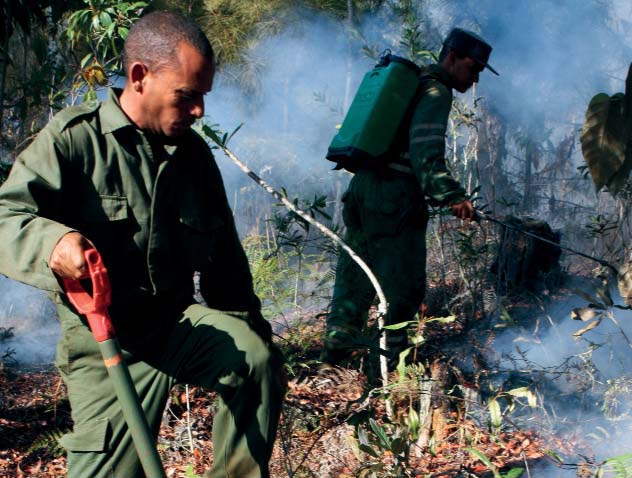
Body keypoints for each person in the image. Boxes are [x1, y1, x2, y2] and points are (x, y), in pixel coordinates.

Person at [0, 10, 284, 478]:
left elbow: (226, 265)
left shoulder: (192, 156)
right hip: (105, 341)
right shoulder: (75, 140)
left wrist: (260, 344)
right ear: (139, 77)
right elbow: (8, 216)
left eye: (203, 98)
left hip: (175, 326)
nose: (199, 112)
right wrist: (56, 242)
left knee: (253, 356)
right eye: (188, 96)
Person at [322, 28, 498, 367]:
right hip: (394, 198)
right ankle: (385, 376)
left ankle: (333, 362)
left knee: (353, 281)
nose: (475, 78)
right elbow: (426, 153)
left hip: (362, 189)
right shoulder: (435, 91)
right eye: (472, 67)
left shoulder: (411, 84)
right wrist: (453, 196)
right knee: (402, 291)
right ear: (451, 57)